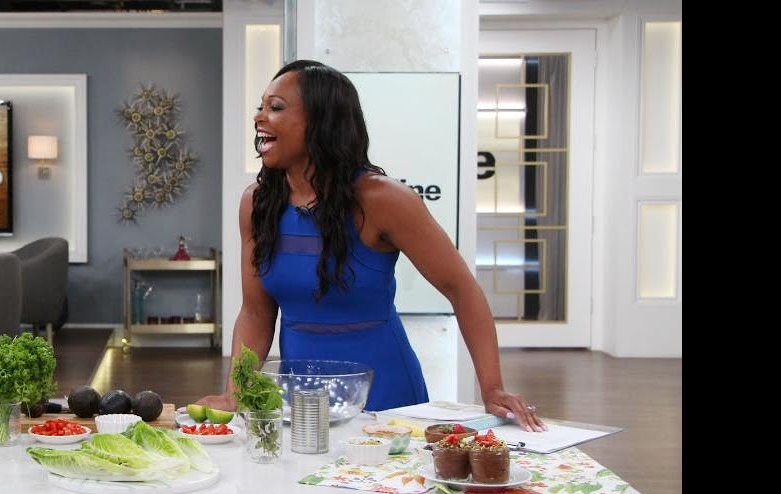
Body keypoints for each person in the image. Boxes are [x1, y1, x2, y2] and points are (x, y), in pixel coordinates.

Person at [195, 60, 545, 432]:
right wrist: (236, 393)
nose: (260, 118)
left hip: (386, 397)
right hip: (300, 399)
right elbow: (255, 313)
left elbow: (461, 288)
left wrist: (492, 387)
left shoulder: (384, 199)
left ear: (321, 121)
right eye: (261, 107)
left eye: (276, 107)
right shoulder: (257, 203)